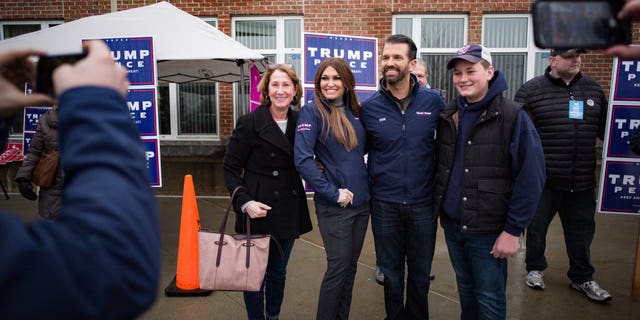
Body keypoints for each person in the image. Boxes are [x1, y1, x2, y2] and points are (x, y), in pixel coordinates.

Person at [0, 40, 160, 318]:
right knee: (58, 227)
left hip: (81, 186)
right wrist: (25, 176)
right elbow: (110, 266)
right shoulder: (48, 120)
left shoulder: (77, 116)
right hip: (53, 186)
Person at [434, 44, 546, 319]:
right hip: (453, 224)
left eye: (471, 71)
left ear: (489, 72)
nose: (463, 78)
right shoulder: (450, 115)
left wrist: (512, 230)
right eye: (458, 73)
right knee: (466, 289)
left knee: (489, 297)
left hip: (489, 229)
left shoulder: (513, 116)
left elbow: (531, 177)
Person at [514, 48, 612, 302]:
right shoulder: (531, 91)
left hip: (580, 179)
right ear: (553, 60)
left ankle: (582, 277)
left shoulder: (593, 90)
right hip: (544, 179)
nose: (576, 60)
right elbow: (519, 136)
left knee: (581, 231)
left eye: (579, 56)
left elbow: (606, 130)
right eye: (570, 56)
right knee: (536, 229)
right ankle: (534, 269)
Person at [360, 34, 445, 320]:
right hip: (384, 205)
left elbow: (448, 150)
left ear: (411, 62)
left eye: (397, 57)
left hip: (423, 205)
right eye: (385, 57)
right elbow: (356, 151)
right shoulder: (370, 108)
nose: (390, 63)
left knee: (420, 276)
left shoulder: (434, 102)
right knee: (391, 275)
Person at [223, 63, 312, 320]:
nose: (280, 90)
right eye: (275, 85)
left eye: (286, 85)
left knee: (278, 272)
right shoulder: (250, 122)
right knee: (253, 275)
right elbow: (230, 168)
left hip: (287, 208)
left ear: (295, 90)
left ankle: (272, 316)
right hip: (256, 211)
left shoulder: (302, 122)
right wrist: (244, 202)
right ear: (266, 90)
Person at [294, 57, 370, 320]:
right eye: (325, 78)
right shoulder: (312, 111)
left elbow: (361, 151)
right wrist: (332, 191)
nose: (330, 83)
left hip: (361, 205)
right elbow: (302, 159)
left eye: (336, 78)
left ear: (347, 82)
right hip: (335, 206)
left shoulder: (355, 112)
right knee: (338, 269)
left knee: (350, 269)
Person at [15, 106, 62, 218]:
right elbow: (34, 152)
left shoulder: (94, 120)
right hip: (52, 185)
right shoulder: (45, 120)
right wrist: (23, 177)